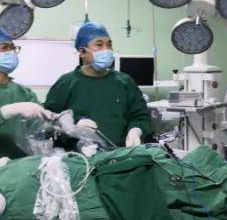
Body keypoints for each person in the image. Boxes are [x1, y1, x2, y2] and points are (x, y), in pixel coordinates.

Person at [44, 21, 152, 147]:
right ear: (82, 52)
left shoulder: (124, 82)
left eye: (109, 44)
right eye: (99, 45)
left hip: (120, 154)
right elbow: (48, 122)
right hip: (78, 156)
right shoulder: (66, 83)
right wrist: (72, 128)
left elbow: (141, 116)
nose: (106, 50)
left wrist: (136, 130)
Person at [0, 28, 54, 159]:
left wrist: (66, 126)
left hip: (20, 164)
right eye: (5, 47)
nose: (11, 52)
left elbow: (41, 126)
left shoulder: (24, 93)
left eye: (13, 47)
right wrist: (6, 111)